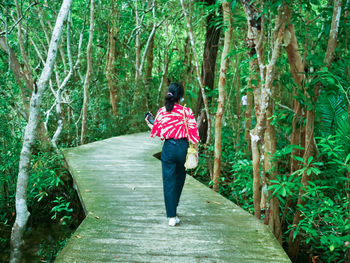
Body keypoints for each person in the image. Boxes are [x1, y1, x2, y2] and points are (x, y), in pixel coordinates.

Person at [145, 82, 199, 226]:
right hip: (182, 147)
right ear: (180, 96)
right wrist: (196, 151)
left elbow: (156, 130)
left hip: (168, 147)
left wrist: (149, 123)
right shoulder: (186, 112)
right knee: (179, 179)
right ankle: (173, 210)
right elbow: (194, 134)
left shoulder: (162, 111)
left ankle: (171, 216)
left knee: (168, 181)